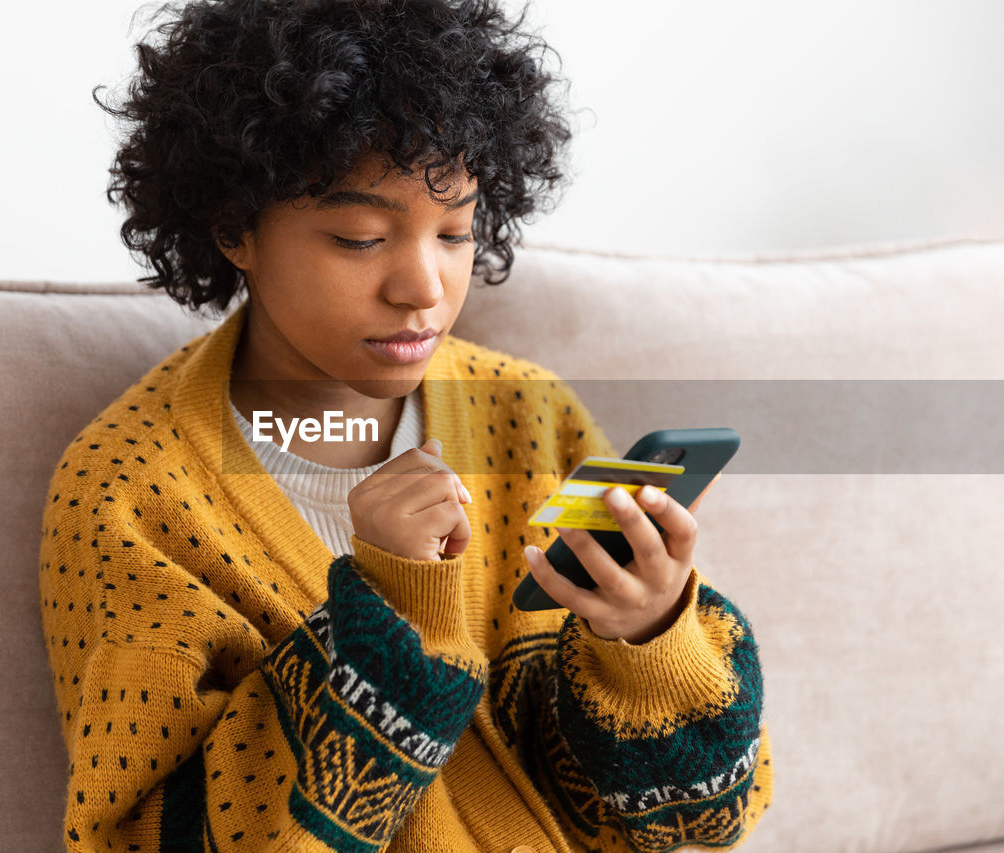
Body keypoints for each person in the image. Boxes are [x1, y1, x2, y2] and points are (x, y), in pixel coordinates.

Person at [38, 1, 773, 850]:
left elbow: (702, 823)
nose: (423, 286)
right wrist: (388, 611)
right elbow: (140, 835)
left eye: (455, 230)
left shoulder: (526, 414)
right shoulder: (130, 491)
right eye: (359, 238)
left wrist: (647, 633)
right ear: (234, 226)